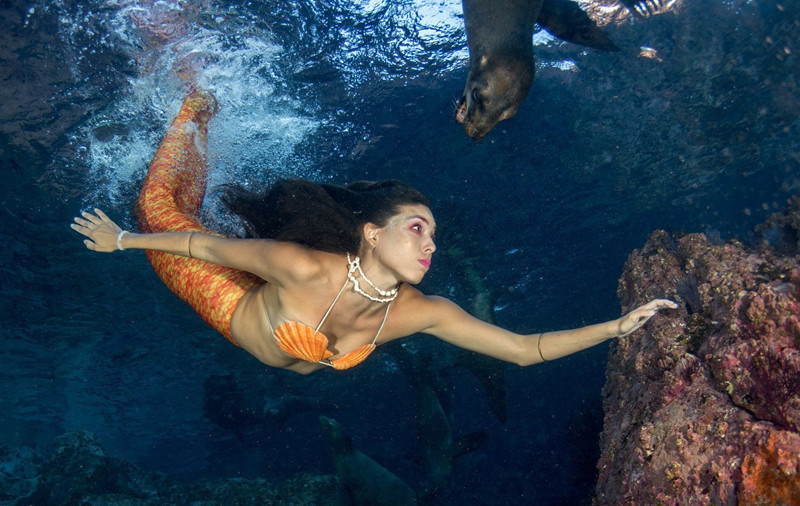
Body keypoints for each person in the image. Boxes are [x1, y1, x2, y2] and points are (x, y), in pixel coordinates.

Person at [72, 89, 676, 375]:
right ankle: (195, 105)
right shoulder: (306, 266)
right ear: (371, 233)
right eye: (417, 228)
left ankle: (202, 131)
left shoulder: (422, 312)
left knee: (195, 218)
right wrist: (120, 240)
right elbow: (201, 246)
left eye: (433, 234)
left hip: (263, 304)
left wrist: (616, 328)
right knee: (159, 210)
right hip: (226, 298)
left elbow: (523, 350)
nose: (430, 244)